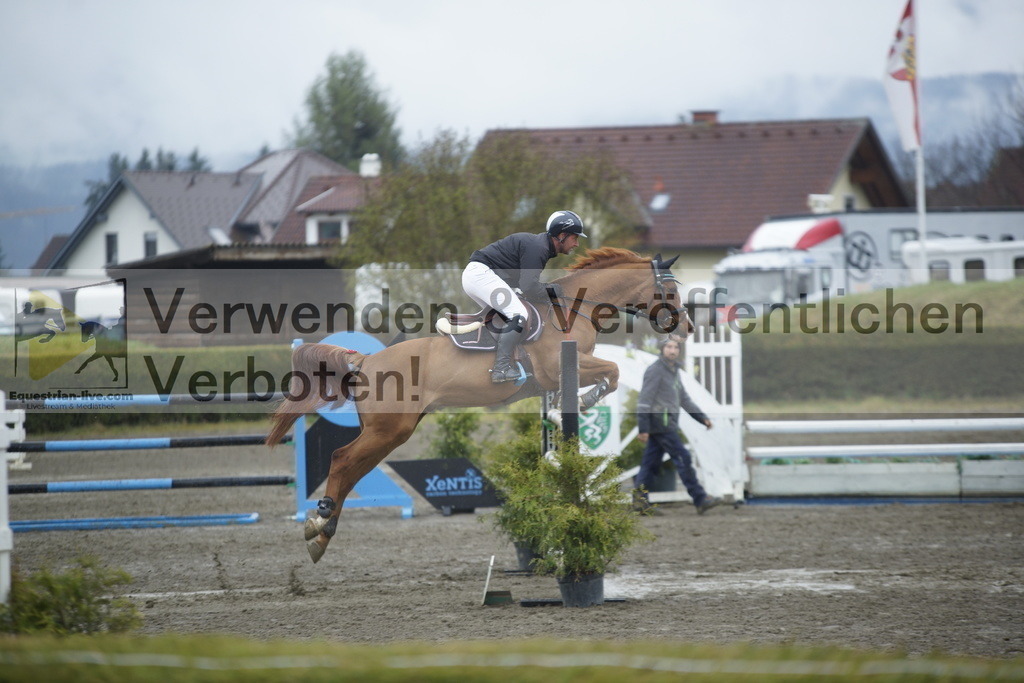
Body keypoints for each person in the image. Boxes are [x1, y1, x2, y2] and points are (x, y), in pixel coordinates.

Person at [463, 210, 587, 383]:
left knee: (508, 317)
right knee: (518, 314)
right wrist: (552, 290)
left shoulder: (540, 246)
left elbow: (526, 287)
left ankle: (496, 362)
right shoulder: (539, 248)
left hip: (479, 276)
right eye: (575, 238)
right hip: (481, 275)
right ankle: (501, 368)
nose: (576, 244)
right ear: (562, 235)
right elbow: (528, 287)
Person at [634, 335, 724, 514]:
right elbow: (644, 400)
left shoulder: (673, 370)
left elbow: (683, 398)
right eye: (669, 347)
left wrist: (701, 417)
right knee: (683, 457)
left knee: (650, 464)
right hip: (661, 423)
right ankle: (700, 498)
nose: (673, 350)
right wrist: (643, 427)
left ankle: (639, 503)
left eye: (675, 347)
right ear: (662, 349)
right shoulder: (655, 370)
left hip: (666, 424)